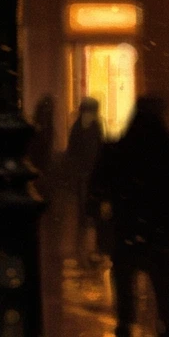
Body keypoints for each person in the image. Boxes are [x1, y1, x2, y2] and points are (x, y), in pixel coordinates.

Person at [88, 96, 169, 337]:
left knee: (126, 281)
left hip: (127, 225)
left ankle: (125, 329)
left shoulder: (121, 147)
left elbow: (98, 185)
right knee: (162, 281)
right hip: (157, 226)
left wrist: (101, 216)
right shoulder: (166, 147)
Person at [64, 97, 104, 264]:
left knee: (88, 212)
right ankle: (88, 250)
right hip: (86, 175)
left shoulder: (85, 127)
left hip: (89, 175)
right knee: (87, 212)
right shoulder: (90, 127)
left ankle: (88, 249)